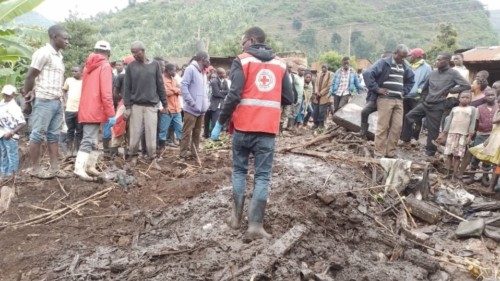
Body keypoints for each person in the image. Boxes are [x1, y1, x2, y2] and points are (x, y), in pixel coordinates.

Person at [211, 26, 293, 240]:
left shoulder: (243, 60)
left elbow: (234, 94)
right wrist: (269, 100)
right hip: (266, 130)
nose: (242, 46)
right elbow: (289, 97)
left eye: (243, 42)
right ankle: (255, 225)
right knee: (262, 176)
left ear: (252, 40)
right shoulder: (280, 64)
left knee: (239, 171)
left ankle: (235, 218)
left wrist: (220, 121)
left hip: (243, 127)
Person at [22, 25, 70, 179]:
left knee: (53, 136)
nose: (67, 41)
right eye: (65, 38)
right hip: (44, 100)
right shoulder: (43, 53)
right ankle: (35, 169)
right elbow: (30, 76)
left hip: (56, 101)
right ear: (54, 37)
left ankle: (55, 169)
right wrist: (28, 99)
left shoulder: (59, 56)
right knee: (37, 135)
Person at [405, 53, 471, 156]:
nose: (437, 62)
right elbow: (425, 88)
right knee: (409, 116)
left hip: (438, 105)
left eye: (439, 60)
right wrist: (423, 100)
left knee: (433, 130)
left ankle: (430, 152)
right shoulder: (433, 73)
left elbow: (466, 85)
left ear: (447, 61)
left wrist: (452, 90)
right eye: (437, 59)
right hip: (426, 103)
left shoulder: (453, 73)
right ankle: (406, 139)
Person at [73, 41, 115, 181]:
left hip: (86, 106)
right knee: (88, 138)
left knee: (94, 139)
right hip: (96, 108)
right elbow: (106, 92)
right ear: (108, 53)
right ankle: (79, 169)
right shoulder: (105, 66)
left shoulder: (87, 67)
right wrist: (111, 113)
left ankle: (90, 166)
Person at [363, 44, 415, 158]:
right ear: (395, 53)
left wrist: (404, 91)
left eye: (405, 57)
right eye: (401, 56)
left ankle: (390, 153)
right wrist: (377, 89)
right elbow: (367, 74)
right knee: (383, 127)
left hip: (399, 100)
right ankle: (379, 153)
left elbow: (411, 80)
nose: (402, 59)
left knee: (397, 128)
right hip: (385, 99)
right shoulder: (384, 62)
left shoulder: (405, 65)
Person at [123, 41, 167, 168]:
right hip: (136, 105)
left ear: (142, 51)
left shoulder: (155, 65)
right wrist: (127, 107)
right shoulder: (131, 67)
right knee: (135, 133)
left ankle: (152, 158)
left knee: (151, 132)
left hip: (151, 106)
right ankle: (133, 157)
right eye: (132, 52)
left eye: (135, 52)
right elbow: (127, 88)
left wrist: (165, 104)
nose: (134, 55)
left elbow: (160, 85)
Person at [459, 89, 498, 184]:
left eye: (492, 95)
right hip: (480, 135)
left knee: (487, 157)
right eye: (488, 95)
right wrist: (472, 135)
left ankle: (484, 178)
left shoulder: (498, 108)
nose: (490, 97)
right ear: (484, 97)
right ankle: (472, 177)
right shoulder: (479, 108)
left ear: (496, 96)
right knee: (475, 155)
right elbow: (475, 123)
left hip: (493, 136)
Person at [436, 92, 476, 180]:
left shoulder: (472, 109)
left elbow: (472, 123)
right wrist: (443, 134)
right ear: (459, 98)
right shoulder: (454, 109)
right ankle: (447, 173)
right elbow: (449, 121)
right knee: (449, 154)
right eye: (463, 97)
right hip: (451, 134)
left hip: (462, 135)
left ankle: (454, 174)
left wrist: (470, 136)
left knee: (457, 156)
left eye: (467, 97)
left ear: (470, 99)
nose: (465, 99)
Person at [179, 51, 210, 159]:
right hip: (191, 109)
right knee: (187, 132)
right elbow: (183, 86)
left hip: (201, 110)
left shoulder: (203, 73)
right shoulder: (190, 69)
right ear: (202, 59)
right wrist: (191, 102)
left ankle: (194, 153)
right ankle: (182, 155)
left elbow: (204, 91)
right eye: (208, 59)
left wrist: (206, 105)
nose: (209, 62)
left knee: (197, 132)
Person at [468, 93, 500, 191]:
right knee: (496, 164)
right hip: (495, 140)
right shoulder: (497, 112)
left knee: (498, 165)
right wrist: (488, 139)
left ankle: (492, 186)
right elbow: (494, 123)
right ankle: (490, 186)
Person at [400, 48, 432, 145]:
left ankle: (414, 137)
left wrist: (420, 91)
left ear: (418, 57)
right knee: (405, 116)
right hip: (406, 95)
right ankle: (405, 138)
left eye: (411, 55)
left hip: (418, 97)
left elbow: (427, 81)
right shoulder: (408, 66)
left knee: (416, 118)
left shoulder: (427, 68)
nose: (409, 57)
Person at [359, 51, 393, 139]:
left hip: (389, 99)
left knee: (387, 119)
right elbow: (367, 74)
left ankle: (386, 137)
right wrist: (377, 89)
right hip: (376, 97)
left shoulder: (397, 68)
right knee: (365, 112)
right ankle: (363, 133)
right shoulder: (379, 68)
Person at [0, 85, 26, 179]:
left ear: (13, 95)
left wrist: (11, 132)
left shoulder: (15, 107)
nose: (6, 96)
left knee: (12, 154)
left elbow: (22, 122)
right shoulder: (2, 104)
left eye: (8, 95)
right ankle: (3, 174)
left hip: (10, 135)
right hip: (2, 133)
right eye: (5, 94)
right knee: (3, 154)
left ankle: (12, 175)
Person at [158, 63, 183, 148]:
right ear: (167, 71)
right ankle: (161, 149)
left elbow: (181, 90)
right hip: (167, 109)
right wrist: (176, 90)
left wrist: (174, 90)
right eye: (173, 70)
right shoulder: (162, 79)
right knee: (163, 130)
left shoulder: (174, 79)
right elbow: (166, 93)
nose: (175, 72)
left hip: (177, 109)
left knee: (180, 129)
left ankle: (183, 148)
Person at [63, 66, 83, 156]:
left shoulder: (84, 81)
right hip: (69, 109)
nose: (74, 72)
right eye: (72, 71)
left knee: (79, 130)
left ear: (81, 72)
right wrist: (65, 101)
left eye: (76, 71)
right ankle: (68, 150)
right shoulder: (69, 80)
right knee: (70, 130)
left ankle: (76, 150)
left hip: (80, 110)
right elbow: (64, 91)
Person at [204, 67, 229, 138]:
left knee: (215, 121)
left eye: (224, 73)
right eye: (222, 73)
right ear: (218, 74)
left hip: (220, 104)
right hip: (212, 104)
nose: (224, 74)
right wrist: (222, 93)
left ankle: (212, 136)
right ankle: (208, 136)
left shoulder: (225, 81)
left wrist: (221, 92)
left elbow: (227, 91)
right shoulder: (214, 81)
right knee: (209, 121)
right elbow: (216, 93)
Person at [312, 64, 333, 129]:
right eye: (322, 67)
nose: (323, 69)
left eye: (325, 67)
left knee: (322, 111)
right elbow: (315, 84)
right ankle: (315, 124)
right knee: (315, 110)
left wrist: (321, 93)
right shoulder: (319, 74)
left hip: (324, 96)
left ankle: (321, 124)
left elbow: (329, 86)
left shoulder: (330, 74)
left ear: (327, 68)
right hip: (317, 96)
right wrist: (316, 92)